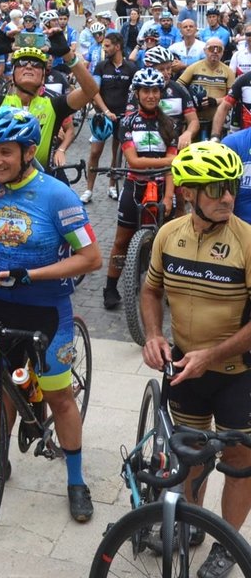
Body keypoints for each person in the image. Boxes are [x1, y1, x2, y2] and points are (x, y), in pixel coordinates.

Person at [0, 107, 102, 520]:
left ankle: (76, 479)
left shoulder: (57, 195)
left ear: (29, 152)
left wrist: (30, 275)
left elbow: (91, 258)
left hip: (47, 312)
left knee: (59, 398)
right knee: (1, 392)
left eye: (5, 153)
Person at [142, 141, 251, 578]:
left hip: (237, 372)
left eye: (232, 187)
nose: (227, 197)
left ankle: (227, 540)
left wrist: (215, 354)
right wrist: (153, 335)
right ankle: (191, 523)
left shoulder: (247, 240)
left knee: (240, 459)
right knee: (191, 453)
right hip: (186, 366)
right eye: (215, 189)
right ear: (188, 192)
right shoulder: (169, 235)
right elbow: (150, 290)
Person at [0, 25, 98, 174]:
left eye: (37, 64)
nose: (29, 66)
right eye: (22, 63)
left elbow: (91, 90)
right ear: (13, 74)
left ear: (44, 75)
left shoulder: (54, 105)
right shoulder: (0, 102)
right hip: (2, 180)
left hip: (42, 180)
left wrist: (68, 55)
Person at [103, 68, 177, 310]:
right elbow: (133, 161)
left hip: (162, 186)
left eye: (155, 90)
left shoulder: (169, 123)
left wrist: (168, 197)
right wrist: (168, 160)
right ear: (137, 93)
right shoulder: (127, 121)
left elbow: (172, 170)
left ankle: (167, 285)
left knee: (166, 241)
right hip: (134, 185)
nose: (151, 95)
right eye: (146, 90)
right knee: (121, 240)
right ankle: (111, 287)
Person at [79, 32, 138, 204]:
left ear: (117, 47)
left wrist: (129, 112)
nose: (104, 49)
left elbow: (134, 93)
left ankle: (112, 185)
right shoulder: (101, 66)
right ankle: (89, 189)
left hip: (122, 116)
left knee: (116, 153)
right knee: (95, 152)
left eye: (107, 46)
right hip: (103, 116)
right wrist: (105, 111)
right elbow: (94, 91)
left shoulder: (131, 68)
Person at [178, 38, 234, 140]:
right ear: (205, 50)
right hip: (195, 119)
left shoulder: (228, 72)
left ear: (223, 52)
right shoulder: (194, 67)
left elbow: (232, 97)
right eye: (212, 48)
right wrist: (190, 100)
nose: (215, 52)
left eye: (219, 49)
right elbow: (178, 88)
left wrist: (215, 101)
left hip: (217, 121)